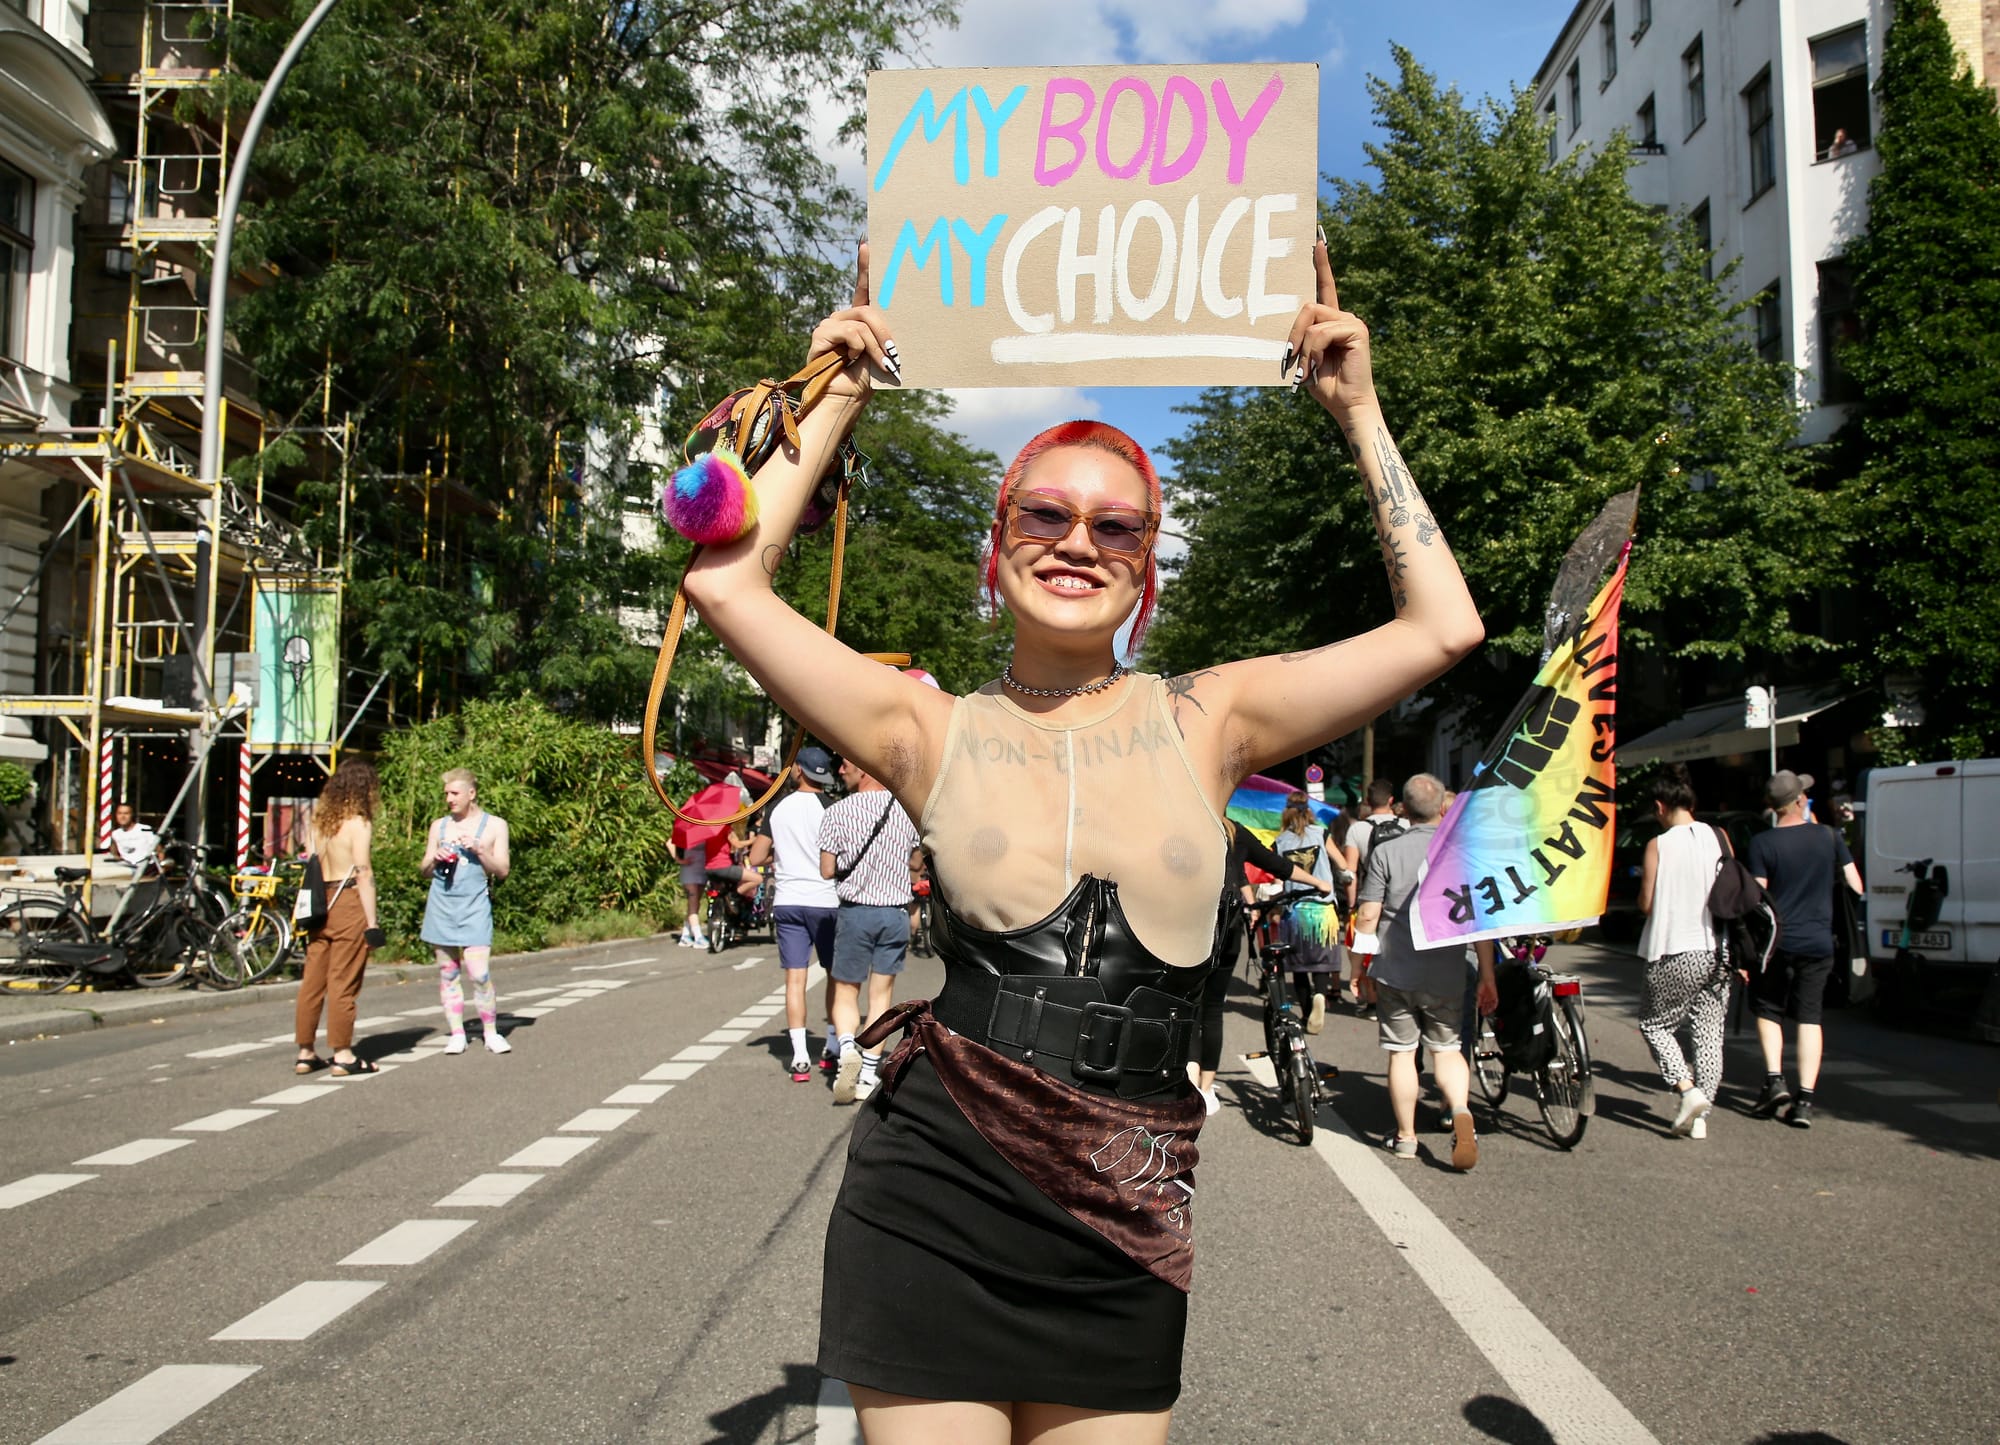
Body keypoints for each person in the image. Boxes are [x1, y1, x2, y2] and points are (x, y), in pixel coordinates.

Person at [677, 237, 1481, 1440]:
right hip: (935, 1191)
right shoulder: (921, 727)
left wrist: (1356, 412)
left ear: (1146, 565)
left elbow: (1441, 626)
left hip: (1126, 1204)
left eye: (1117, 526)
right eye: (1044, 513)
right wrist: (841, 388)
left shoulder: (1212, 716)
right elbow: (724, 587)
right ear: (995, 543)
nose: (1077, 541)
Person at [1352, 774, 1498, 1170]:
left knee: (1402, 1053)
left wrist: (1358, 967)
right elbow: (1478, 922)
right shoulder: (1462, 854)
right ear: (1441, 809)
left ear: (1404, 808)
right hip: (1448, 969)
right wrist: (1487, 975)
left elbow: (1368, 915)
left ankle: (1406, 1137)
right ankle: (1461, 1109)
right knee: (1447, 1049)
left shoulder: (1387, 851)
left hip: (1395, 968)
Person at [1746, 770, 1865, 1129]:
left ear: (1772, 807)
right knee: (1810, 1017)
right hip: (1818, 941)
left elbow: (1757, 898)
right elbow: (1855, 885)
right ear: (1800, 800)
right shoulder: (1829, 836)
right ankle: (1805, 1102)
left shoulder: (1762, 843)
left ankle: (1775, 1080)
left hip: (1777, 943)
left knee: (1768, 1008)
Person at [1201, 821, 1335, 1114]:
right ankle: (1206, 1088)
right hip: (1228, 926)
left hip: (1191, 926)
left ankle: (1186, 1082)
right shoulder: (1233, 831)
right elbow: (1278, 865)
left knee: (1190, 1006)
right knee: (1212, 1008)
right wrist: (1318, 883)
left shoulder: (1191, 825)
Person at [818, 755, 920, 1105]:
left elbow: (826, 870)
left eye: (846, 764)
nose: (841, 770)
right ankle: (867, 1074)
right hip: (894, 914)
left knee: (846, 990)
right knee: (881, 996)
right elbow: (917, 860)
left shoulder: (837, 812)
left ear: (863, 769)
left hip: (855, 913)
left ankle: (848, 1048)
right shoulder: (905, 811)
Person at [1636, 764, 1729, 1139]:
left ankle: (1688, 1092)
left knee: (1655, 1025)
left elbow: (1647, 904)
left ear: (1660, 806)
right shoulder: (1719, 836)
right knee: (1709, 1031)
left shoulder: (1658, 845)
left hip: (1675, 947)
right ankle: (1701, 1118)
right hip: (1718, 949)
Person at [294, 759, 386, 1077]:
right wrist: (372, 922)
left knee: (312, 981)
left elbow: (310, 858)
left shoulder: (319, 821)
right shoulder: (358, 823)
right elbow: (363, 871)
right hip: (347, 901)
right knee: (343, 981)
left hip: (320, 902)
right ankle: (343, 1054)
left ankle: (306, 1052)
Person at [419, 767, 514, 1055]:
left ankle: (491, 1032)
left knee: (479, 973)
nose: (449, 799)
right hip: (441, 906)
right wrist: (434, 860)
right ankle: (457, 1033)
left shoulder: (495, 825)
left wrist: (480, 850)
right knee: (448, 973)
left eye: (455, 793)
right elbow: (424, 869)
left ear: (471, 794)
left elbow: (503, 871)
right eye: (446, 793)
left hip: (474, 907)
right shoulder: (439, 826)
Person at [770, 746, 842, 1081]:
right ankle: (831, 1046)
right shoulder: (833, 808)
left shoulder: (777, 807)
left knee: (794, 980)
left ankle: (799, 1058)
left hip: (788, 900)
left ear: (798, 769)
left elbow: (758, 854)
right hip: (826, 901)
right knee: (834, 976)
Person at [1272, 792, 1339, 1033]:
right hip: (1323, 911)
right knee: (1321, 963)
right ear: (1308, 810)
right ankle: (1320, 993)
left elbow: (1278, 879)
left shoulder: (1280, 842)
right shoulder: (1321, 834)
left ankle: (1306, 1011)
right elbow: (1342, 864)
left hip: (1295, 912)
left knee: (1299, 967)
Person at [1342, 779, 1403, 1011]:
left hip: (1370, 896)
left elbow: (1350, 872)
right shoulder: (1407, 825)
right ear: (1391, 800)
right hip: (1402, 898)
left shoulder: (1357, 829)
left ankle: (1372, 1001)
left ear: (1367, 801)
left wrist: (1351, 905)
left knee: (1367, 947)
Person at [103, 802, 158, 870]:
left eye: (126, 813)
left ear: (132, 815)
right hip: (127, 869)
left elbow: (159, 851)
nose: (122, 816)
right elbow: (114, 854)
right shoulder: (115, 834)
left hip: (146, 868)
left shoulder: (144, 829)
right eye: (119, 813)